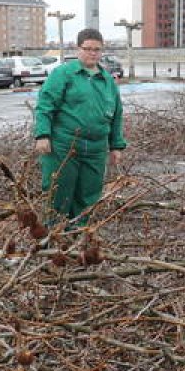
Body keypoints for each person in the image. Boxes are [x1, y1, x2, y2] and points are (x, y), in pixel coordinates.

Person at [33, 28, 127, 227]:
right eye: (88, 48)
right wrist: (43, 134)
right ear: (78, 49)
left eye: (97, 49)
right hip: (63, 147)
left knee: (88, 199)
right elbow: (45, 105)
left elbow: (116, 114)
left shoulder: (107, 81)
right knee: (58, 196)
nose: (93, 53)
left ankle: (79, 244)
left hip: (95, 149)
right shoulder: (63, 74)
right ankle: (54, 244)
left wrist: (116, 146)